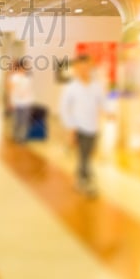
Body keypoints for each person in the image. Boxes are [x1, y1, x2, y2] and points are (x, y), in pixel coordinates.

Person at [58, 55, 104, 197]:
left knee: (88, 154)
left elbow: (102, 101)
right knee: (83, 154)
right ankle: (85, 180)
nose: (85, 70)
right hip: (79, 126)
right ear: (77, 69)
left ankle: (82, 176)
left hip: (93, 126)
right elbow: (64, 108)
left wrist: (108, 112)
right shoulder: (71, 87)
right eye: (81, 68)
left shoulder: (96, 86)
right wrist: (71, 126)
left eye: (87, 67)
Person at [8, 57, 34, 142]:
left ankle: (21, 138)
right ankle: (16, 136)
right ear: (20, 67)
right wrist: (11, 102)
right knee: (16, 121)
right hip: (16, 103)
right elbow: (11, 90)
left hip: (26, 103)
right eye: (24, 67)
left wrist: (30, 100)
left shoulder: (28, 78)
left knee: (24, 121)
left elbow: (29, 90)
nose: (26, 69)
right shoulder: (14, 77)